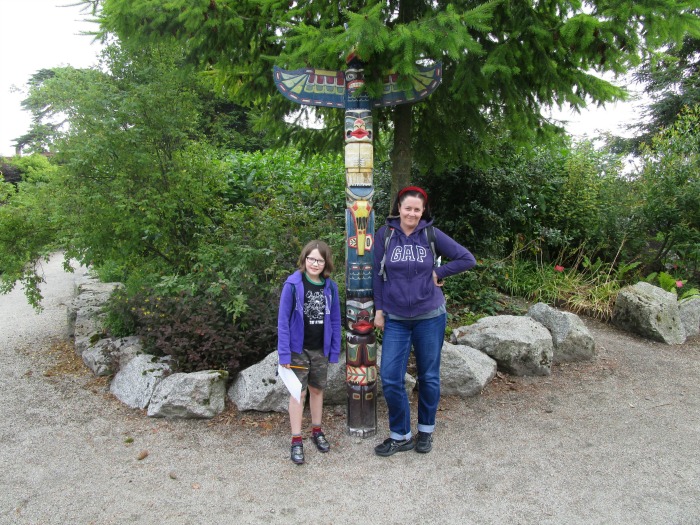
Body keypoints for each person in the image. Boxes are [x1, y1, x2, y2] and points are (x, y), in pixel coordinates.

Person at [373, 186, 476, 456]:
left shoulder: (431, 234)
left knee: (429, 376)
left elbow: (467, 259)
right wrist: (379, 310)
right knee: (390, 377)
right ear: (398, 208)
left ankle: (426, 431)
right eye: (408, 208)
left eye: (417, 209)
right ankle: (401, 435)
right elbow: (377, 276)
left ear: (423, 211)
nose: (412, 213)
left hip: (430, 316)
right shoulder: (385, 235)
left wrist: (439, 271)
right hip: (396, 318)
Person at [277, 240, 342, 465]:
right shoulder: (292, 284)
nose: (315, 263)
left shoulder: (330, 287)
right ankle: (296, 439)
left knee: (316, 390)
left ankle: (316, 430)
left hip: (320, 348)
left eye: (320, 260)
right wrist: (284, 354)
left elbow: (335, 319)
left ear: (326, 263)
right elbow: (283, 321)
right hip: (297, 349)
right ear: (305, 259)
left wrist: (334, 350)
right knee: (298, 393)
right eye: (311, 259)